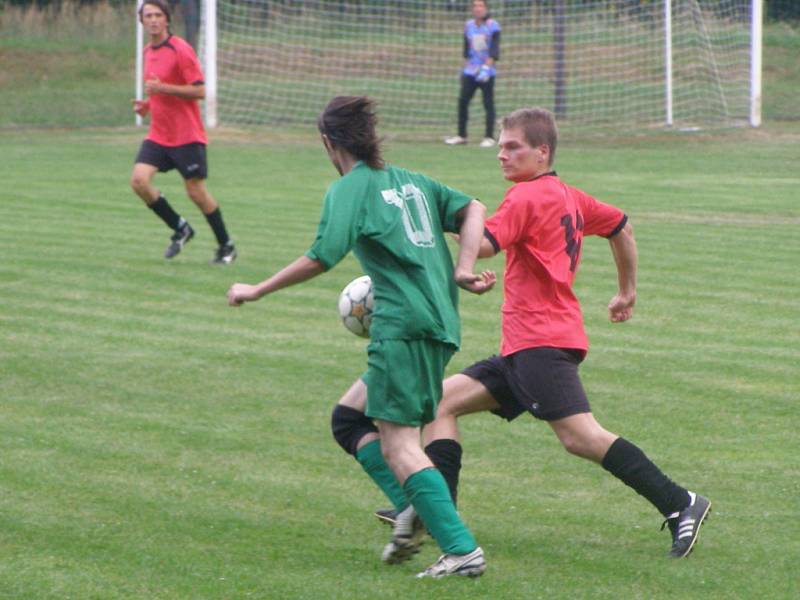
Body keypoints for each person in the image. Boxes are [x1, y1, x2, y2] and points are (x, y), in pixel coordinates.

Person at [424, 106, 711, 559]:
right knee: (438, 403)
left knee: (580, 436)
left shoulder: (525, 198)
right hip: (531, 345)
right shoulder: (570, 196)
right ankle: (435, 514)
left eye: (512, 147)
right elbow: (622, 226)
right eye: (500, 146)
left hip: (540, 344)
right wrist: (626, 292)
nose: (501, 155)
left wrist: (434, 213)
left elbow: (478, 246)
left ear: (542, 151)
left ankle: (681, 503)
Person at [227, 96, 496, 578]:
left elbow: (320, 257)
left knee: (398, 444)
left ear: (329, 143)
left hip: (403, 327)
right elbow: (474, 207)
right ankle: (411, 508)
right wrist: (465, 267)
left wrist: (257, 289)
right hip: (438, 324)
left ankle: (460, 550)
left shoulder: (351, 188)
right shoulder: (413, 180)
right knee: (349, 418)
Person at [131, 0, 237, 264]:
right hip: (159, 134)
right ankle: (180, 228)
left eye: (158, 15)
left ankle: (226, 245)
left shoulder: (181, 49)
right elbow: (157, 91)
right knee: (139, 181)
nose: (153, 20)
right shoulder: (147, 51)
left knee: (196, 193)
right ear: (141, 21)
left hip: (187, 135)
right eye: (148, 16)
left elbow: (200, 90)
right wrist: (146, 106)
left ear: (167, 20)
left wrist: (164, 88)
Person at [444, 0, 501, 148]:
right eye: (475, 6)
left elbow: (494, 51)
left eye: (481, 5)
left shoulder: (492, 26)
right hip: (471, 71)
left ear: (486, 8)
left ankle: (489, 137)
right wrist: (466, 68)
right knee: (462, 101)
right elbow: (466, 50)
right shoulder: (468, 26)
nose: (478, 8)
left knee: (488, 103)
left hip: (486, 71)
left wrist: (486, 68)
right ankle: (461, 135)